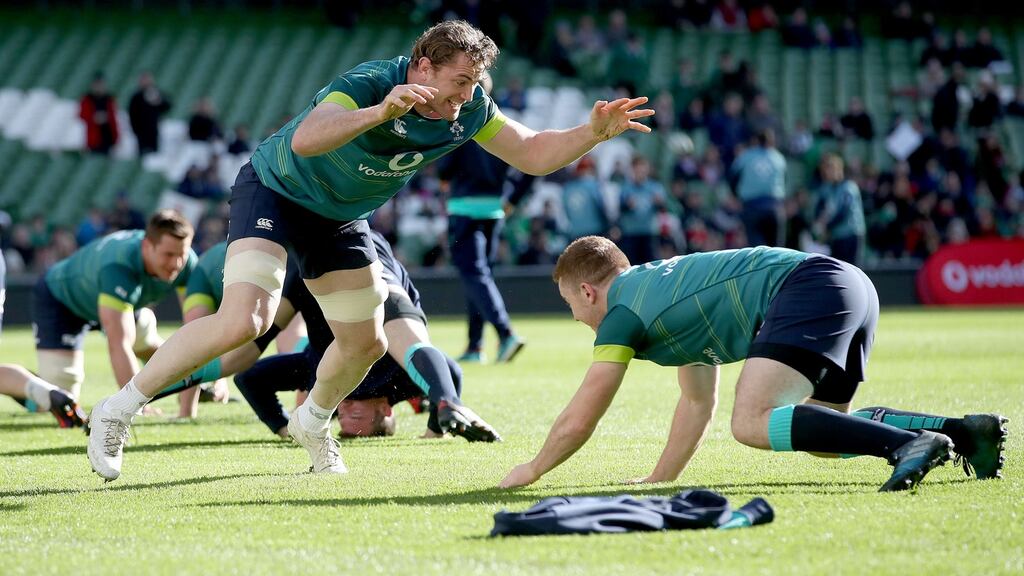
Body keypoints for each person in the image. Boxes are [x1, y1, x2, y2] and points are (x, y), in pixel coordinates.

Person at [87, 19, 654, 481]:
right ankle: (119, 409)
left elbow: (530, 152)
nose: (467, 96)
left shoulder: (470, 108)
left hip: (338, 217)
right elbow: (308, 139)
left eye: (475, 83)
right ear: (423, 67)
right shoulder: (368, 81)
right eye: (459, 81)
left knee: (366, 342)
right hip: (277, 191)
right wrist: (383, 111)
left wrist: (592, 133)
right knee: (246, 319)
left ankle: (312, 423)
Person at [500, 236, 1007, 491]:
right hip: (849, 284)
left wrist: (531, 469)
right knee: (827, 434)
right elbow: (697, 400)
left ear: (587, 290)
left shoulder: (622, 311)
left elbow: (582, 416)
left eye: (572, 306)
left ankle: (910, 445)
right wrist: (661, 479)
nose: (577, 317)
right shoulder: (654, 293)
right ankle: (964, 433)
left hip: (810, 287)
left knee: (750, 423)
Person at [233, 230, 500, 442]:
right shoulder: (398, 381)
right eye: (357, 414)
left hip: (316, 265)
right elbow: (451, 371)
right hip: (372, 265)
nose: (345, 409)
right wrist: (436, 427)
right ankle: (450, 404)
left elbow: (249, 377)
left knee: (254, 337)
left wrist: (284, 428)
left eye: (340, 416)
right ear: (385, 408)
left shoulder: (320, 374)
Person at [0, 210, 195, 424]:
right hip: (64, 300)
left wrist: (205, 375)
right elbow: (118, 344)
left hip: (120, 301)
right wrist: (135, 407)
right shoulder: (119, 266)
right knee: (59, 401)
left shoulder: (187, 263)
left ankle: (193, 382)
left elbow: (198, 329)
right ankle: (26, 383)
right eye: (168, 255)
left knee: (147, 341)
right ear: (148, 246)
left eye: (181, 255)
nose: (176, 264)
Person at [437, 73, 532, 364]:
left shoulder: (458, 124)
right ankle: (474, 347)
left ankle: (506, 334)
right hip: (494, 211)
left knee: (474, 275)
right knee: (478, 277)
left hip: (464, 209)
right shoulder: (500, 124)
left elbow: (443, 169)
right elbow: (529, 164)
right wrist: (512, 201)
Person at [731, 129, 786, 247]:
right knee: (776, 251)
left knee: (756, 251)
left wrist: (736, 195)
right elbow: (784, 180)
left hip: (752, 208)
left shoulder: (745, 156)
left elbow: (732, 178)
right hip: (774, 208)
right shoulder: (778, 158)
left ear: (755, 140)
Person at [813, 154, 865, 266]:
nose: (828, 173)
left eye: (831, 169)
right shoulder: (828, 189)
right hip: (836, 237)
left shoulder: (849, 187)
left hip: (850, 235)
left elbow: (843, 213)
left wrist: (826, 227)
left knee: (852, 270)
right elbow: (819, 206)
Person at [128, 71, 172, 156]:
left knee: (154, 154)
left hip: (153, 129)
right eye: (143, 79)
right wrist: (135, 129)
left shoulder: (156, 93)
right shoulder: (136, 96)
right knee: (143, 153)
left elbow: (168, 105)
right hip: (140, 130)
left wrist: (159, 101)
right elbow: (132, 113)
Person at [80, 72, 119, 155]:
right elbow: (82, 115)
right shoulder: (87, 99)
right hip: (94, 140)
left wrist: (116, 139)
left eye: (101, 84)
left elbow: (113, 120)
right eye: (97, 84)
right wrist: (94, 118)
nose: (99, 86)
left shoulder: (109, 99)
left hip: (108, 140)